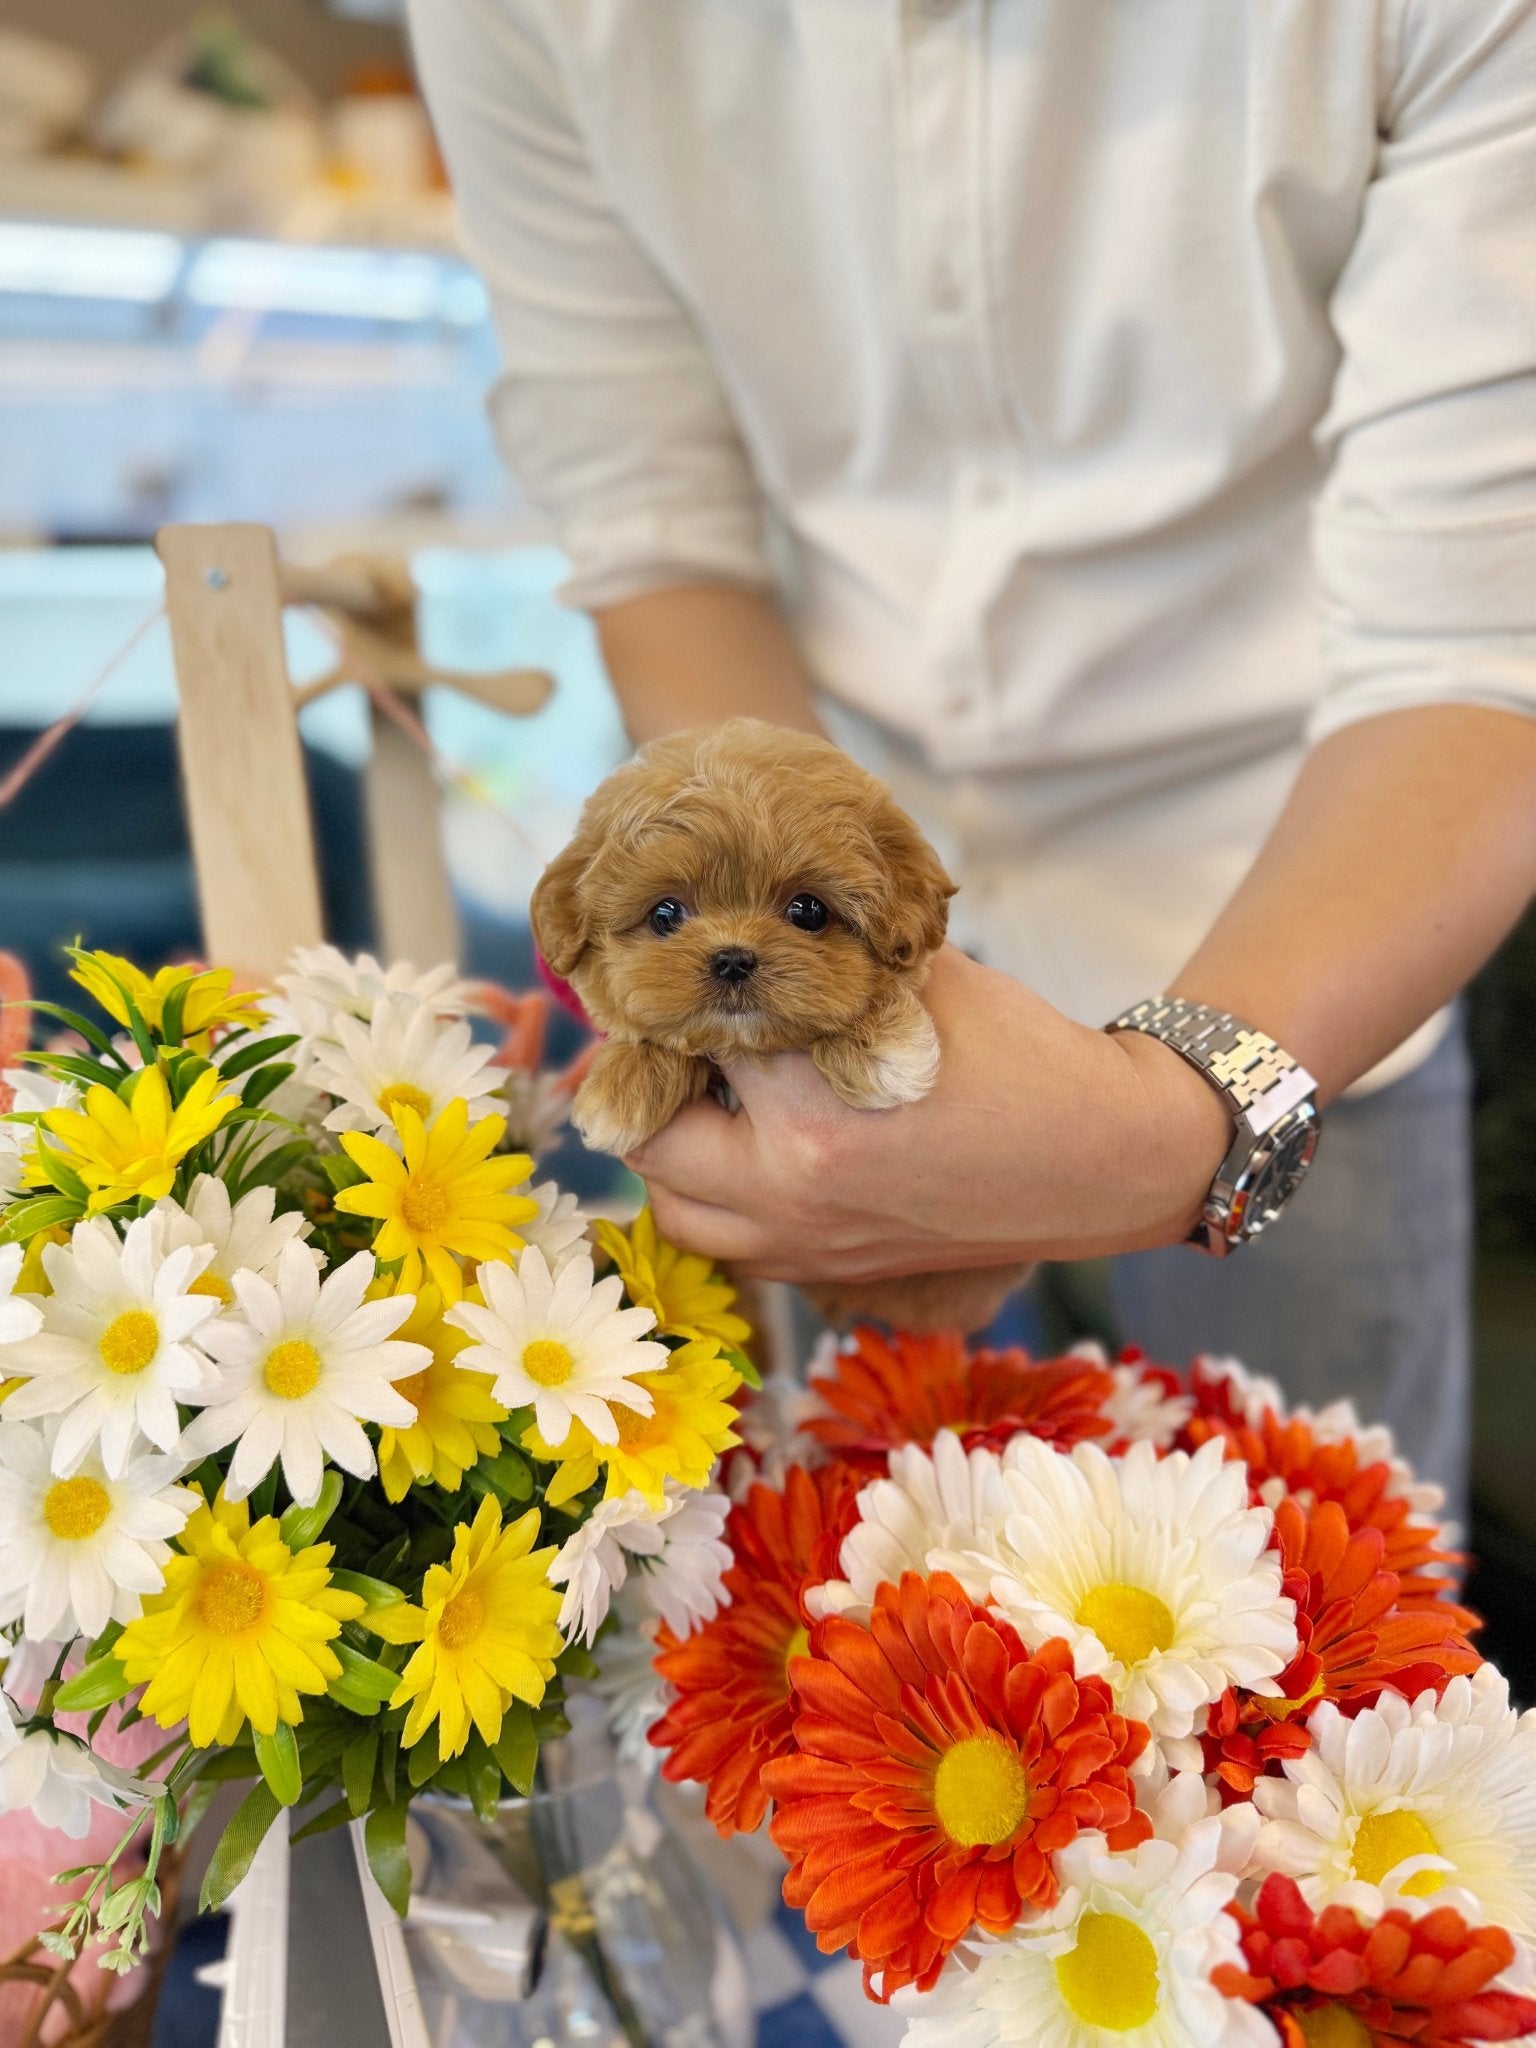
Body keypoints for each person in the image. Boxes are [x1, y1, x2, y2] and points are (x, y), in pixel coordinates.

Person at [408, 0, 1536, 1500]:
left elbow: (1476, 639)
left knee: (1329, 1592)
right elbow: (657, 527)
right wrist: (787, 918)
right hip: (838, 877)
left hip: (1313, 908)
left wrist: (1177, 1119)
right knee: (860, 1572)